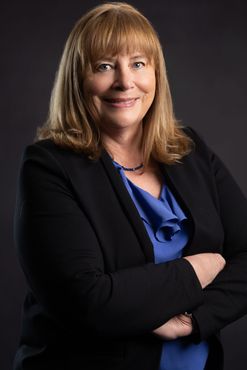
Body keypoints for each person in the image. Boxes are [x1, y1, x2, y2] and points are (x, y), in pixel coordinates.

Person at [14, 2, 247, 370]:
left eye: (138, 63)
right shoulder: (48, 167)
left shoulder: (189, 149)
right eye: (104, 66)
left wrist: (192, 321)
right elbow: (88, 302)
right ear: (78, 79)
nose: (125, 81)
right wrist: (198, 269)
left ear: (156, 73)